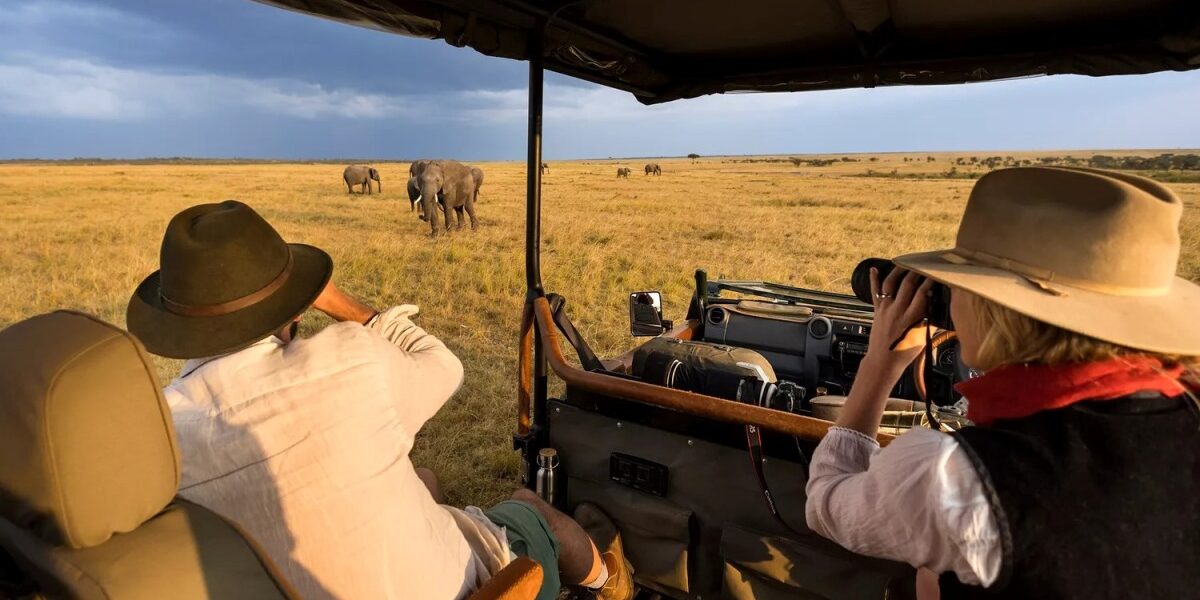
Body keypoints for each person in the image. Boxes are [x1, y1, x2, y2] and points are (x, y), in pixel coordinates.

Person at [126, 200, 632, 600]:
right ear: (295, 305)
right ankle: (607, 579)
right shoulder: (348, 359)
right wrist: (338, 302)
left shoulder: (159, 437)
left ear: (177, 328)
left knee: (425, 481)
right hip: (485, 587)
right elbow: (444, 365)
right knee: (527, 505)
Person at [803, 167, 1199, 599]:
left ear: (994, 308)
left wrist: (881, 364)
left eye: (960, 285)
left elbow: (826, 503)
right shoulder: (1186, 411)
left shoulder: (963, 480)